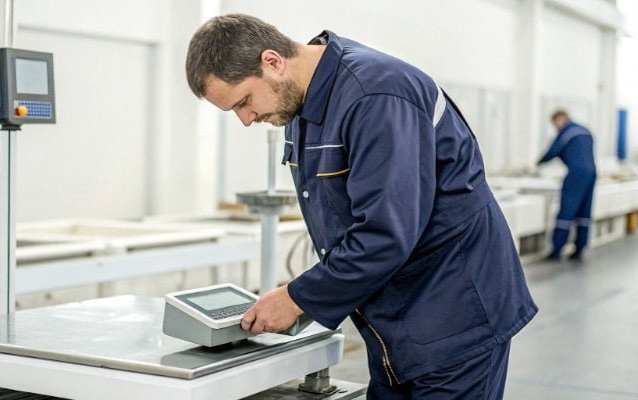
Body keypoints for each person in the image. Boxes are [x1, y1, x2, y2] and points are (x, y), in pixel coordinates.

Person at [185, 14, 537, 399]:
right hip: (396, 325)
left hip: (455, 320)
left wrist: (298, 298)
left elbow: (386, 233)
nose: (246, 119)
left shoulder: (376, 95)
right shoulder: (302, 106)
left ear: (272, 62)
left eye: (244, 102)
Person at [537, 110, 597, 260]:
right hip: (591, 173)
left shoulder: (567, 132)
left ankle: (557, 250)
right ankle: (580, 248)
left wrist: (538, 163)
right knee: (584, 211)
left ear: (561, 119)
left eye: (555, 124)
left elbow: (553, 150)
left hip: (576, 174)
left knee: (566, 210)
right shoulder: (585, 131)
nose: (556, 127)